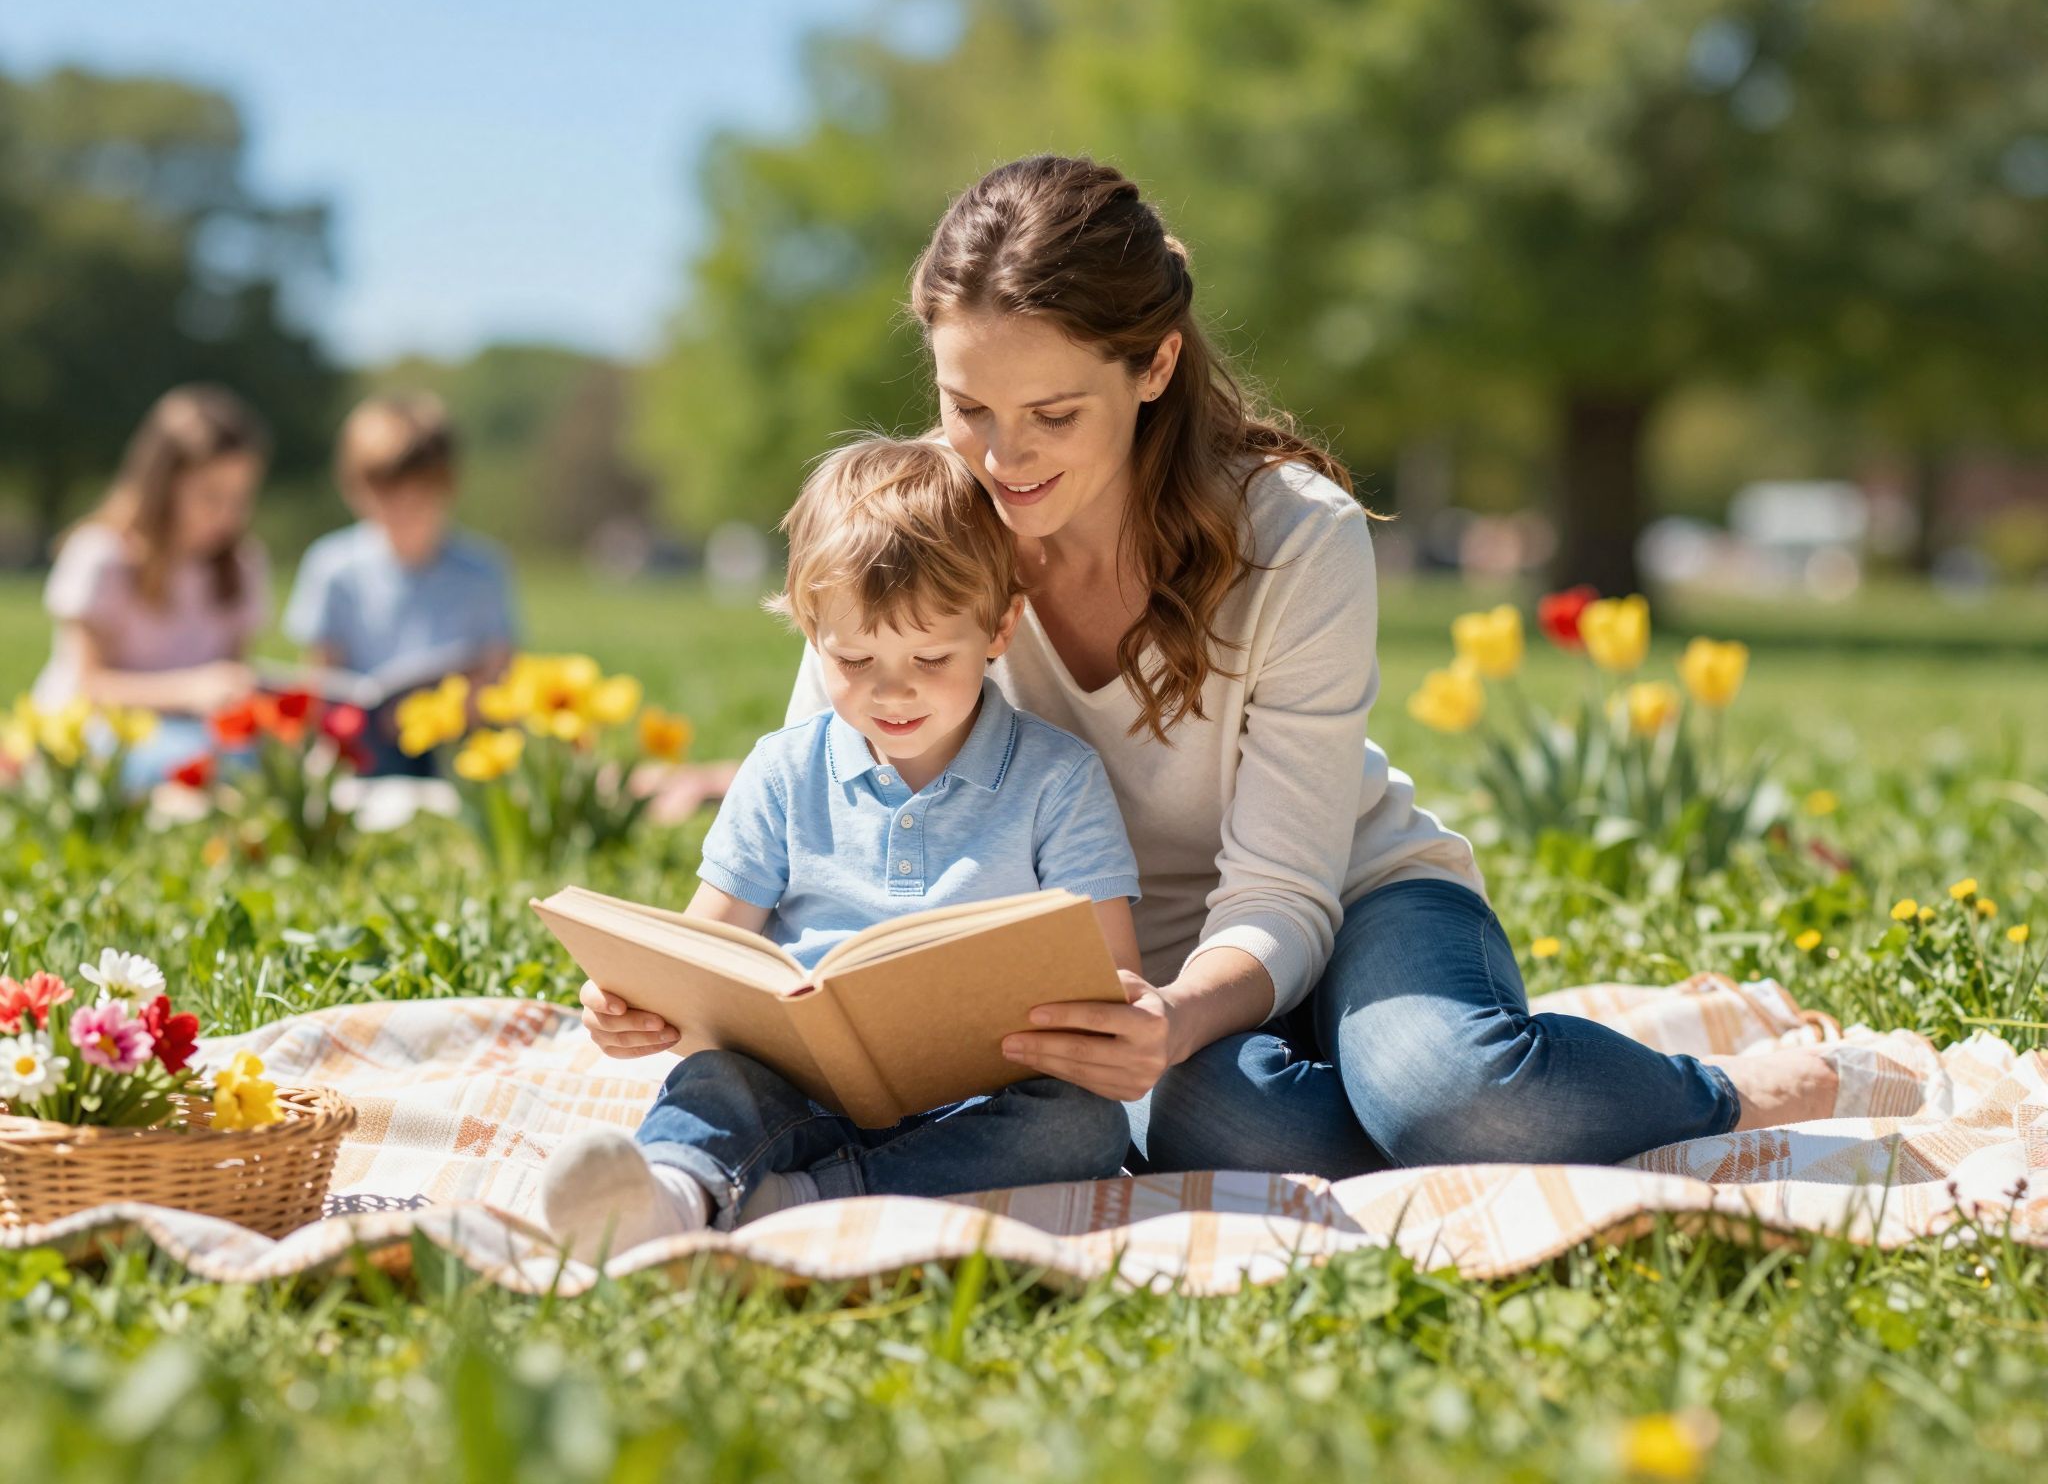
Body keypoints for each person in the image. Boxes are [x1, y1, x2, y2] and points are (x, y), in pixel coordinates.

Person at [585, 155, 1841, 1186]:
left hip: (1341, 902)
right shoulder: (926, 522)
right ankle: (1364, 1094)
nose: (999, 460)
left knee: (1440, 1091)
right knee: (1221, 1130)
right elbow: (834, 774)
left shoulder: (1294, 536)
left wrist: (1173, 1020)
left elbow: (1284, 890)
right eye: (967, 406)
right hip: (1116, 992)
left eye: (1053, 415)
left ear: (1152, 366)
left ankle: (1707, 1088)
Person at [543, 436, 1141, 1253]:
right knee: (715, 1082)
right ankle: (669, 1194)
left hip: (978, 1094)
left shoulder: (1058, 779)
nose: (893, 691)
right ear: (809, 629)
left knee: (1083, 1127)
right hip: (799, 1078)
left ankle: (809, 1197)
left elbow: (1110, 977)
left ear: (1001, 627)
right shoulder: (784, 771)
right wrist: (635, 1007)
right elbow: (707, 947)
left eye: (932, 657)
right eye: (854, 658)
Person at [31, 385, 271, 786]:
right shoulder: (102, 555)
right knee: (187, 764)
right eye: (211, 496)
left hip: (194, 733)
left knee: (266, 760)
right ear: (162, 485)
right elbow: (88, 686)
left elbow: (232, 673)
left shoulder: (241, 564)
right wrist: (190, 691)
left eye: (240, 497)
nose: (227, 514)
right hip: (97, 731)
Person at [283, 392, 517, 775]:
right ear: (354, 488)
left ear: (447, 485)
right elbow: (320, 679)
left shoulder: (484, 571)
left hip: (458, 743)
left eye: (418, 495)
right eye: (386, 493)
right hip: (366, 747)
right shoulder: (332, 566)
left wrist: (429, 716)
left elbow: (499, 677)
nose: (403, 507)